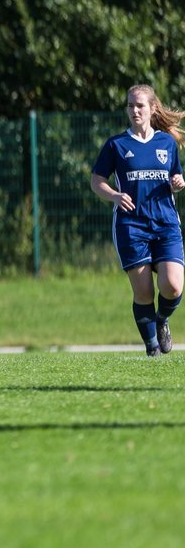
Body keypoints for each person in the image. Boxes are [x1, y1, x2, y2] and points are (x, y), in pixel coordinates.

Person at [89, 84, 185, 357]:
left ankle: (162, 319)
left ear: (152, 108)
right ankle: (152, 347)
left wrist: (178, 182)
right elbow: (96, 181)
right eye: (130, 105)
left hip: (165, 224)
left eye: (139, 105)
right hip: (131, 226)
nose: (134, 110)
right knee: (143, 293)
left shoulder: (166, 142)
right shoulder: (116, 145)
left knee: (173, 285)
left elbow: (174, 178)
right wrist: (115, 196)